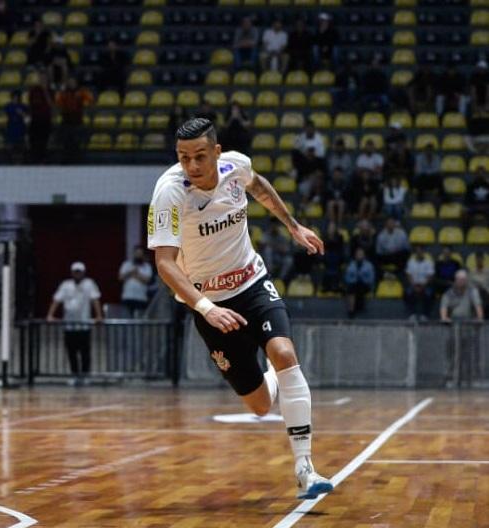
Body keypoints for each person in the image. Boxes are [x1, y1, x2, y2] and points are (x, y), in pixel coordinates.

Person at [147, 117, 333, 499]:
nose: (192, 166)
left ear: (217, 152)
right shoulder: (168, 193)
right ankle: (267, 377)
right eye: (184, 158)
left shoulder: (236, 166)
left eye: (200, 156)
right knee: (261, 406)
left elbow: (259, 186)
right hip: (209, 304)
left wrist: (294, 226)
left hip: (251, 283)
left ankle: (305, 467)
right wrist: (205, 308)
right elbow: (165, 264)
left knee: (284, 352)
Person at [46, 261, 103, 383]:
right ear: (72, 273)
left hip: (84, 325)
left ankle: (85, 375)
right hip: (69, 326)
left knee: (85, 352)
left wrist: (98, 315)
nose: (77, 274)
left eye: (79, 272)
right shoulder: (66, 285)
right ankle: (75, 375)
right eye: (75, 272)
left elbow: (95, 300)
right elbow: (57, 300)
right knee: (72, 352)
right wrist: (50, 315)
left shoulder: (89, 284)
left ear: (83, 272)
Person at [55, 76, 94, 163]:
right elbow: (58, 102)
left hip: (77, 120)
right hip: (66, 120)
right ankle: (66, 160)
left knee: (77, 142)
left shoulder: (81, 92)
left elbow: (90, 100)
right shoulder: (64, 93)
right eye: (70, 82)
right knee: (66, 142)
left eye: (73, 82)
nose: (71, 84)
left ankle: (77, 160)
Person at [118, 246, 152, 317]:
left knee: (139, 320)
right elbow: (120, 278)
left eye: (140, 254)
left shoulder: (147, 266)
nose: (138, 255)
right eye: (137, 253)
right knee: (127, 320)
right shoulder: (126, 264)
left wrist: (136, 274)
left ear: (143, 255)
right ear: (133, 254)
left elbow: (147, 280)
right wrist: (131, 272)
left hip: (141, 298)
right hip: (127, 297)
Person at [27, 70, 54, 163]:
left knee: (44, 140)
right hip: (35, 119)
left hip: (46, 119)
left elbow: (51, 104)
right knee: (34, 140)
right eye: (41, 78)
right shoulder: (33, 90)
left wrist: (45, 90)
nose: (42, 79)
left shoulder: (50, 90)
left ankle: (43, 160)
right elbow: (30, 104)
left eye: (44, 78)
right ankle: (34, 160)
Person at [404, 244, 435, 320]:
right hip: (414, 285)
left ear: (423, 252)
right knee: (406, 293)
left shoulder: (429, 262)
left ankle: (425, 315)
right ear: (415, 253)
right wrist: (413, 285)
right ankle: (412, 314)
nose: (419, 253)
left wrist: (423, 286)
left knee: (430, 294)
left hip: (425, 285)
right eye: (417, 252)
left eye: (420, 251)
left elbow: (430, 276)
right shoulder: (410, 262)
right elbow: (408, 275)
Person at [344, 247, 375, 318]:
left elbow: (371, 279)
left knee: (358, 287)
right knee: (352, 288)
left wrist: (361, 277)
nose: (359, 256)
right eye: (358, 254)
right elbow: (347, 278)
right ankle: (351, 310)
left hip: (365, 284)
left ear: (364, 255)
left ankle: (355, 309)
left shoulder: (369, 265)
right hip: (354, 284)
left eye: (361, 254)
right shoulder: (351, 265)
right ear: (355, 255)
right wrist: (355, 279)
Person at [4, 90, 29, 162]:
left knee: (21, 145)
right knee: (10, 144)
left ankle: (21, 159)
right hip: (11, 127)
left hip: (20, 127)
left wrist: (22, 114)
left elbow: (27, 119)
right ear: (12, 97)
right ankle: (10, 159)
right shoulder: (8, 106)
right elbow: (7, 116)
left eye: (17, 97)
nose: (15, 98)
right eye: (14, 97)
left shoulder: (24, 106)